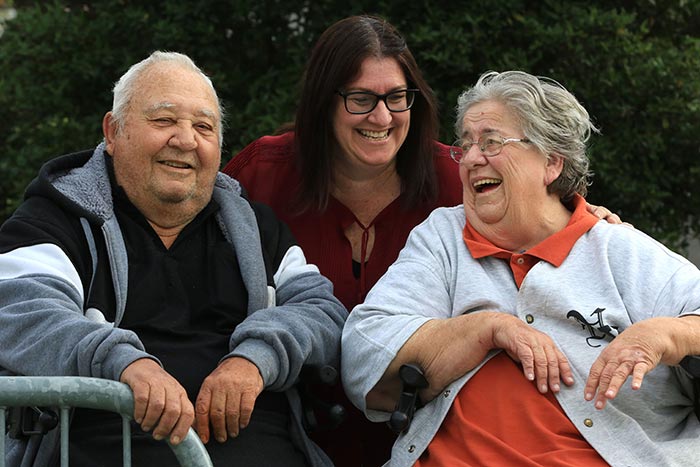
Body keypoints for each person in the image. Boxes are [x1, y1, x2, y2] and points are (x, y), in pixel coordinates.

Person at [223, 15, 622, 467]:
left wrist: (587, 218)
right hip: (286, 438)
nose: (382, 117)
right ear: (323, 102)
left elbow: (542, 210)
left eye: (397, 97)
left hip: (423, 439)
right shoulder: (263, 174)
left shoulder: (459, 179)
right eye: (360, 99)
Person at [0, 51, 347, 467]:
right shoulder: (56, 218)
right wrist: (123, 365)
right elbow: (20, 311)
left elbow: (323, 311)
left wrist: (255, 358)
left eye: (204, 127)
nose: (185, 140)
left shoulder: (255, 230)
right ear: (113, 132)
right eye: (164, 121)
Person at [341, 70, 700, 466]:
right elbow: (363, 352)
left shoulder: (617, 249)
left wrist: (666, 334)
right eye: (466, 146)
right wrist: (488, 329)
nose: (473, 158)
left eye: (492, 142)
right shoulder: (443, 237)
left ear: (551, 163)